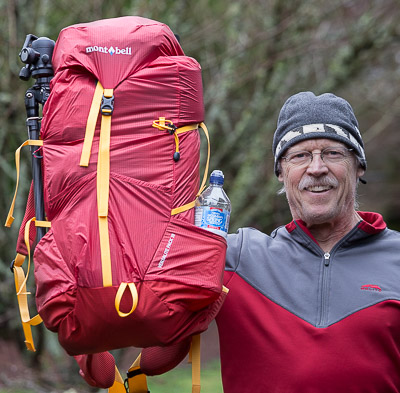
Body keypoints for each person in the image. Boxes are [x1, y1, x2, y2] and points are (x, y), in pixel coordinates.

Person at [216, 92, 400, 392]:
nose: (316, 168)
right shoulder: (236, 257)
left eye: (332, 153)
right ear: (281, 172)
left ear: (359, 166)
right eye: (299, 156)